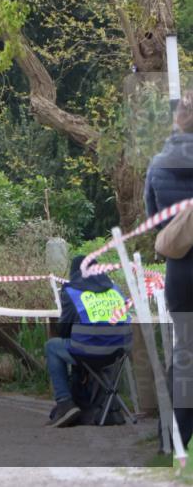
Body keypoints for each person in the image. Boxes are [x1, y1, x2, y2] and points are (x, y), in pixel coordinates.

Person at [145, 90, 193, 449]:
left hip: (180, 272)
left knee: (185, 354)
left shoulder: (158, 164)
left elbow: (154, 224)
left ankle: (171, 437)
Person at [44, 255, 132, 428]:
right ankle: (106, 406)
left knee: (52, 346)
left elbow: (64, 329)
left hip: (87, 352)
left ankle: (64, 403)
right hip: (118, 352)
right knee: (88, 345)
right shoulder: (115, 289)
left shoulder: (71, 290)